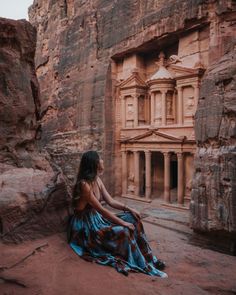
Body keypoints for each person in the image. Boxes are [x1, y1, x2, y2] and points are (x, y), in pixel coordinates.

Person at [67, 150, 167, 277]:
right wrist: (123, 223)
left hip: (96, 218)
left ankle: (151, 258)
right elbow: (101, 210)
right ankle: (143, 265)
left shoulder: (97, 179)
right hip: (85, 226)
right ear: (94, 163)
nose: (102, 160)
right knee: (124, 230)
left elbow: (111, 201)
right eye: (100, 159)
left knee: (133, 218)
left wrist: (130, 209)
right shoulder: (84, 185)